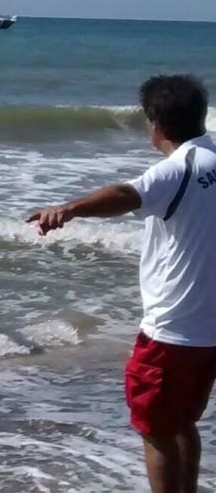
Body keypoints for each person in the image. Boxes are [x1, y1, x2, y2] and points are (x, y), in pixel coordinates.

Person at [27, 75, 216, 493]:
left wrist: (68, 209)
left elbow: (124, 194)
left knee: (156, 426)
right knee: (182, 421)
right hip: (209, 329)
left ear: (156, 125)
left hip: (173, 328)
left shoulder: (177, 169)